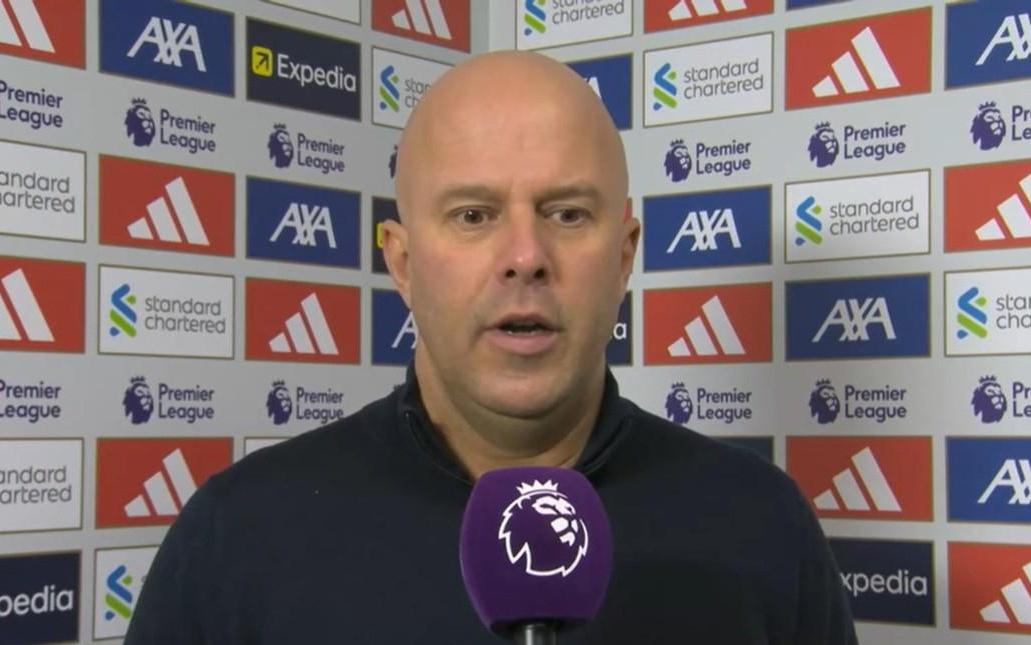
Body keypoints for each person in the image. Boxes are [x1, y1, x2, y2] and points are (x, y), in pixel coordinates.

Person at [125, 51, 857, 644]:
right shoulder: (240, 533)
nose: (525, 257)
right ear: (402, 262)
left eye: (566, 213)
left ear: (624, 255)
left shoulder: (762, 524)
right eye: (473, 215)